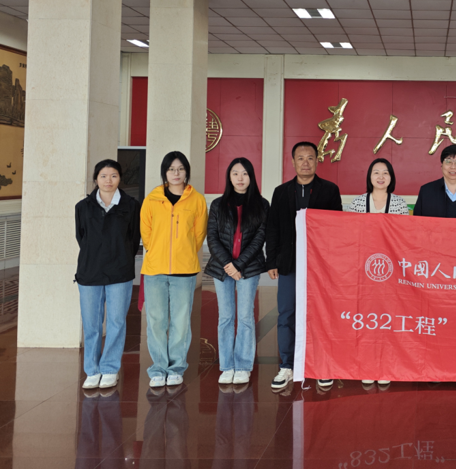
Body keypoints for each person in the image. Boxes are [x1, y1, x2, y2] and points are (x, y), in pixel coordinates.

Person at [265, 141, 342, 391]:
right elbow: (273, 228)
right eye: (300, 158)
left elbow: (337, 228)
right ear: (293, 162)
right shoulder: (281, 192)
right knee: (287, 314)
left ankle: (320, 364)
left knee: (320, 314)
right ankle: (287, 365)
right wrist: (272, 260)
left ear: (317, 161)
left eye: (310, 158)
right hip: (289, 264)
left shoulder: (329, 190)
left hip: (320, 265)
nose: (305, 163)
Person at [140, 151, 208, 388]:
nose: (176, 173)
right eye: (171, 169)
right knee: (156, 320)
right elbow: (146, 233)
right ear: (164, 172)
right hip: (155, 269)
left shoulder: (197, 200)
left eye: (180, 169)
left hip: (184, 269)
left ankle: (176, 367)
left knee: (180, 321)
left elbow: (199, 234)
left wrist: (184, 251)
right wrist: (157, 250)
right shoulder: (152, 199)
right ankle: (159, 368)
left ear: (186, 171)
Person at [75, 159, 141, 390]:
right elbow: (81, 237)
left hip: (120, 272)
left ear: (120, 178)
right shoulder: (83, 207)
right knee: (91, 324)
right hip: (89, 271)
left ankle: (110, 369)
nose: (108, 180)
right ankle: (92, 370)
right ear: (96, 179)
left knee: (116, 321)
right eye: (103, 176)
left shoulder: (131, 205)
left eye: (113, 175)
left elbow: (134, 238)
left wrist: (120, 256)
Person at [205, 157, 269, 386]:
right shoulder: (218, 204)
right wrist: (228, 265)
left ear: (251, 177)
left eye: (244, 173)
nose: (240, 178)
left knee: (245, 316)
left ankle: (242, 366)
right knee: (225, 317)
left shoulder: (262, 204)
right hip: (222, 269)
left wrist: (238, 265)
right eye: (235, 173)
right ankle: (227, 366)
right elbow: (212, 237)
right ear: (229, 177)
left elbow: (260, 238)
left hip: (248, 268)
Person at [349, 158, 409, 387]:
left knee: (389, 319)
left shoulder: (399, 204)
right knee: (366, 320)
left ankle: (386, 366)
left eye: (385, 172)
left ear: (391, 177)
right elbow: (349, 236)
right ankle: (367, 365)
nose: (381, 177)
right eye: (376, 172)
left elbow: (404, 238)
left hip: (391, 273)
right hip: (363, 272)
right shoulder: (357, 203)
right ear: (369, 176)